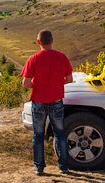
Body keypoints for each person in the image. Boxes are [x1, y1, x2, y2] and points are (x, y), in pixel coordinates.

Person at [22, 29, 74, 175]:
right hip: (56, 100)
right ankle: (63, 166)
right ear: (52, 40)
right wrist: (57, 82)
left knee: (38, 135)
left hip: (38, 101)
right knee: (60, 133)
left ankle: (39, 167)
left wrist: (37, 84)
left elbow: (26, 83)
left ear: (39, 42)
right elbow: (69, 79)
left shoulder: (33, 59)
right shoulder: (62, 57)